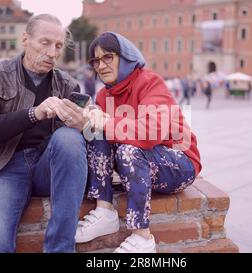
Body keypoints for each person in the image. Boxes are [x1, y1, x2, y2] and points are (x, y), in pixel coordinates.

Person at [0, 14, 89, 253]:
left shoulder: (68, 85)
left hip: (48, 167)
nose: (53, 53)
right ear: (25, 40)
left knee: (70, 138)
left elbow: (77, 147)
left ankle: (60, 249)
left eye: (58, 46)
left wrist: (85, 125)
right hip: (1, 169)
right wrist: (35, 113)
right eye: (45, 43)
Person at [75, 32, 202, 253]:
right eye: (95, 60)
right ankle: (104, 210)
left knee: (127, 149)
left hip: (181, 163)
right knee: (95, 130)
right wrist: (83, 120)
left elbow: (151, 133)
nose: (100, 66)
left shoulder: (150, 82)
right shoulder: (104, 95)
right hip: (144, 162)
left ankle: (142, 237)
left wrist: (106, 122)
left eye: (108, 57)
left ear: (125, 56)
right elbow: (101, 140)